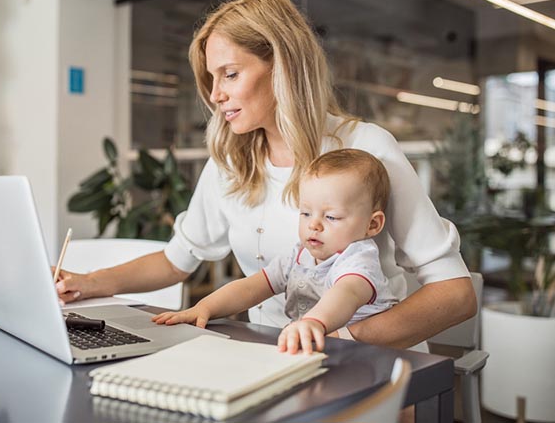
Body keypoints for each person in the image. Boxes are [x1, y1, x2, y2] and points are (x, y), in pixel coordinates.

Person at [55, 0, 476, 350]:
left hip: (365, 359)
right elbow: (176, 261)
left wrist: (345, 339)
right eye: (211, 79)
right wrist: (89, 283)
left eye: (231, 74)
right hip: (271, 356)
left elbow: (455, 295)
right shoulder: (230, 162)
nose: (216, 95)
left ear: (283, 66)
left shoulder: (365, 149)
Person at [153, 149, 399, 354]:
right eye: (305, 213)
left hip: (367, 358)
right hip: (323, 351)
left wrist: (314, 322)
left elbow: (345, 294)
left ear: (373, 224)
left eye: (331, 216)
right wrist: (204, 308)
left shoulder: (359, 259)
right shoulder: (299, 256)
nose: (314, 224)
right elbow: (252, 287)